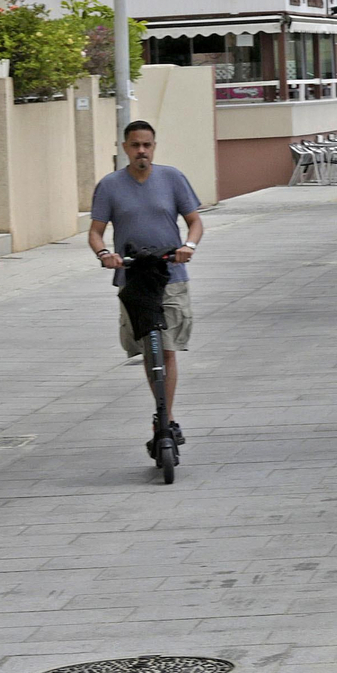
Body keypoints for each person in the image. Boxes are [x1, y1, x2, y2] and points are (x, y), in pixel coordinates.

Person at [88, 120, 204, 457]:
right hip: (133, 277)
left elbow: (195, 221)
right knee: (148, 351)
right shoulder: (110, 185)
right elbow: (95, 232)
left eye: (147, 145)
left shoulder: (172, 178)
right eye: (136, 145)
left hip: (170, 276)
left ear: (154, 147)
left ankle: (166, 418)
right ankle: (163, 415)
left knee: (167, 350)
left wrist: (188, 246)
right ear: (125, 147)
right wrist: (105, 254)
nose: (142, 151)